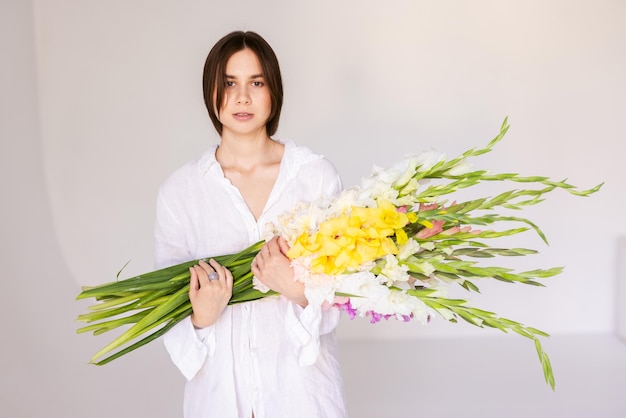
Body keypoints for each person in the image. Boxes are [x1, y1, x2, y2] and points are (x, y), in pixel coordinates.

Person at [154, 31, 347, 418]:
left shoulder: (315, 178)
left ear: (273, 90)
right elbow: (170, 315)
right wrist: (201, 316)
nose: (242, 97)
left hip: (303, 397)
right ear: (211, 92)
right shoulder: (181, 192)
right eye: (229, 83)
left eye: (256, 83)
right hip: (219, 399)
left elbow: (344, 291)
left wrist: (296, 288)